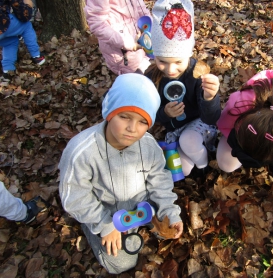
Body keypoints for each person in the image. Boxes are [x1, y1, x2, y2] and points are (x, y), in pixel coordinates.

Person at [58, 73, 183, 274]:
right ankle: (92, 231)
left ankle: (145, 219)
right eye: (124, 116)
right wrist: (105, 224)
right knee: (122, 264)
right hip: (105, 212)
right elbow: (75, 196)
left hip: (141, 206)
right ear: (109, 112)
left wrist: (170, 211)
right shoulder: (81, 152)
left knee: (167, 228)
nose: (132, 128)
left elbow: (160, 180)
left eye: (143, 122)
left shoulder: (149, 145)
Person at [145, 0, 221, 177]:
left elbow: (211, 117)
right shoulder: (150, 77)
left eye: (178, 62)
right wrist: (164, 114)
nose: (170, 70)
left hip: (199, 125)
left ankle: (203, 166)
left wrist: (210, 98)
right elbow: (148, 114)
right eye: (162, 61)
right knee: (182, 170)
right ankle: (195, 160)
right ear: (154, 55)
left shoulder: (195, 74)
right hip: (175, 130)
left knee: (189, 141)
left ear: (188, 55)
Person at [84, 0, 152, 75]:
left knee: (151, 72)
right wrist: (129, 44)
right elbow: (98, 25)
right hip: (123, 50)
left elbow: (139, 5)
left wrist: (150, 26)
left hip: (140, 40)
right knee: (136, 78)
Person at [0, 0, 46, 81]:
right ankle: (37, 56)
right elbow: (20, 10)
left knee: (10, 42)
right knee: (26, 26)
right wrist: (28, 6)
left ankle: (8, 71)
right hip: (0, 23)